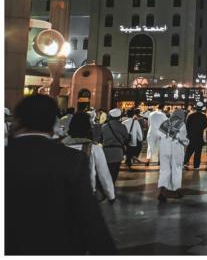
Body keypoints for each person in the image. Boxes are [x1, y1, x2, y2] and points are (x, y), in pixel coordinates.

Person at [6, 95, 116, 254]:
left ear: (17, 121)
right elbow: (90, 219)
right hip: (57, 247)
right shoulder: (72, 159)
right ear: (52, 123)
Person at [62, 111, 116, 204]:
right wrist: (111, 195)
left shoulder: (60, 145)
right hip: (86, 194)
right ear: (88, 128)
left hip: (62, 194)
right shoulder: (94, 148)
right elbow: (104, 174)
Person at [157, 108, 188, 201]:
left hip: (164, 149)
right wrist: (187, 143)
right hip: (176, 149)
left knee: (164, 170)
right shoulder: (182, 124)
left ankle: (162, 192)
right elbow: (183, 139)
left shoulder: (165, 123)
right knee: (177, 169)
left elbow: (159, 134)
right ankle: (177, 191)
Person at [100, 108, 129, 183]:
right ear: (119, 117)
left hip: (106, 151)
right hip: (118, 151)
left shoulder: (104, 126)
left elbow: (100, 139)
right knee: (115, 171)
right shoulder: (122, 126)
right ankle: (112, 185)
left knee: (106, 170)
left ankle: (106, 186)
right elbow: (127, 138)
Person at [184, 103, 207, 170]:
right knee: (198, 152)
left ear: (196, 107)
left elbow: (187, 125)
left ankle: (185, 162)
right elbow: (205, 125)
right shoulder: (203, 116)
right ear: (202, 108)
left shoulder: (191, 115)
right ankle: (196, 166)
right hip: (199, 136)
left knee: (189, 150)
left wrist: (188, 134)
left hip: (191, 136)